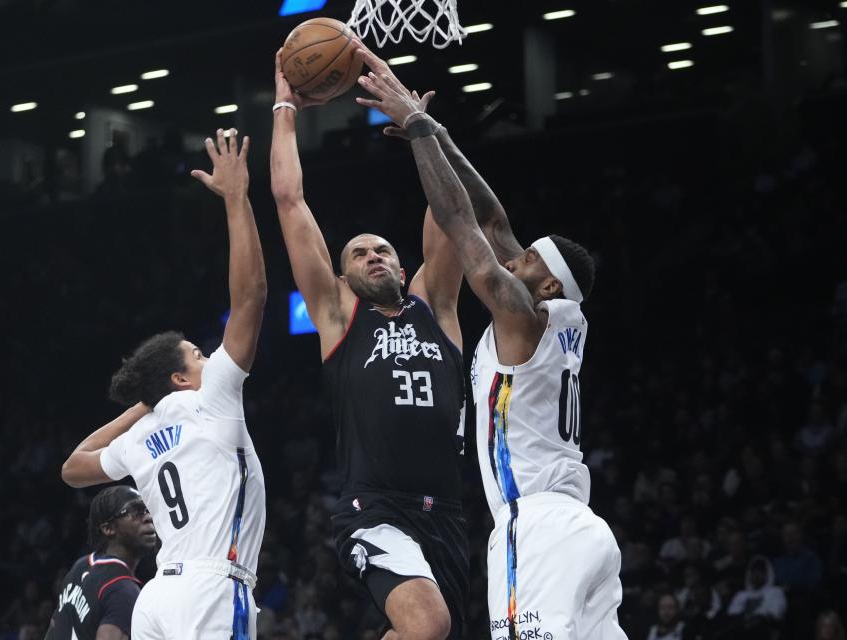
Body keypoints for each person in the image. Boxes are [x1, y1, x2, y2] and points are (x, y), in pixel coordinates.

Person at [355, 49, 626, 639]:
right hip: (584, 530)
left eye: (527, 259)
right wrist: (438, 135)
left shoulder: (522, 313)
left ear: (548, 283)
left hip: (537, 529)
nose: (516, 252)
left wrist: (423, 131)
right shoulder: (558, 310)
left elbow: (463, 225)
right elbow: (493, 216)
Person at [270, 45, 469, 640]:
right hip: (374, 509)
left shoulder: (438, 305)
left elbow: (454, 210)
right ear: (340, 275)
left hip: (449, 513)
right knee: (428, 624)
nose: (373, 255)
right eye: (358, 252)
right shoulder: (338, 315)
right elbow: (289, 201)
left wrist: (417, 124)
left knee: (429, 634)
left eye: (383, 249)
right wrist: (285, 106)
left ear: (405, 269)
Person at [60, 128, 267, 639]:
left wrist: (142, 408)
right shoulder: (211, 394)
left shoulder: (137, 439)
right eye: (198, 355)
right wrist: (237, 199)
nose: (209, 357)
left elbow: (72, 468)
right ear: (182, 378)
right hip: (212, 590)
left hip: (157, 598)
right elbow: (251, 297)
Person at [44, 486, 158, 640]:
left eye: (146, 510)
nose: (147, 517)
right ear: (108, 528)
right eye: (135, 510)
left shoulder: (81, 566)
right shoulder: (122, 590)